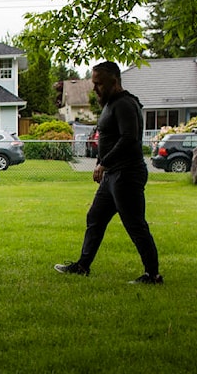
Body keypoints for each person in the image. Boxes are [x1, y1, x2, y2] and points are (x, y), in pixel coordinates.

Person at [54, 61, 163, 284]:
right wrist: (100, 163)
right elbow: (107, 138)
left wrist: (104, 163)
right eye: (94, 84)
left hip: (127, 174)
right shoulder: (110, 104)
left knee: (135, 225)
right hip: (113, 174)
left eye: (99, 84)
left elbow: (128, 138)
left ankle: (153, 275)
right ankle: (83, 266)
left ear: (114, 82)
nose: (95, 89)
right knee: (95, 217)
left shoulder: (124, 104)